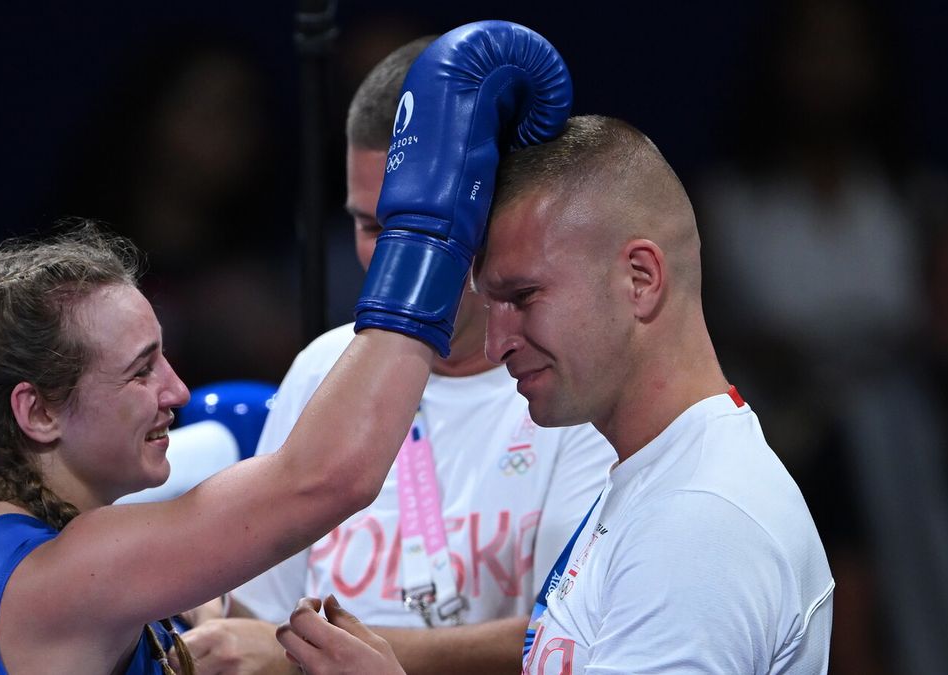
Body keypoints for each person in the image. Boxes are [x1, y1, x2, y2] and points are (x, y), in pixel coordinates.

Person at [0, 21, 572, 674]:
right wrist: (431, 235)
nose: (178, 393)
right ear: (36, 413)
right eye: (140, 370)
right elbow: (328, 476)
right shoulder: (76, 574)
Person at [277, 115, 836, 674]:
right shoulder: (656, 481)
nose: (496, 345)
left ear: (640, 278)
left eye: (522, 296)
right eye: (489, 304)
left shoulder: (700, 521)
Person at [177, 36, 613, 675]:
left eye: (413, 227)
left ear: (484, 208)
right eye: (370, 226)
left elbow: (582, 635)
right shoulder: (323, 370)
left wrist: (303, 654)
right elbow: (253, 622)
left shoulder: (579, 388)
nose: (390, 259)